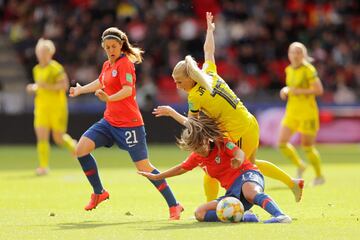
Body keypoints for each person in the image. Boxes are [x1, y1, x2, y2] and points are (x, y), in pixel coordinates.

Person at [153, 12, 304, 202]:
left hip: (238, 131)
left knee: (216, 171)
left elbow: (193, 125)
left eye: (179, 81)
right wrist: (209, 31)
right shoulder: (209, 73)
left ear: (190, 78)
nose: (177, 85)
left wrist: (171, 112)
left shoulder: (193, 97)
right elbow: (209, 52)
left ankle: (214, 206)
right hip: (249, 122)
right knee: (252, 164)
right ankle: (293, 183)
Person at [68, 27, 183, 220]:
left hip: (130, 124)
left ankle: (174, 204)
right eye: (107, 47)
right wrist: (81, 91)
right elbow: (100, 82)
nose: (110, 49)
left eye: (113, 46)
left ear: (121, 45)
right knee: (81, 149)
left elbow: (128, 90)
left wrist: (108, 98)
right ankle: (99, 192)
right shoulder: (107, 65)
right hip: (109, 122)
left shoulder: (125, 65)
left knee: (144, 167)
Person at [139, 115, 292, 223]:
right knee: (199, 213)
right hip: (232, 192)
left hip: (248, 175)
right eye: (195, 149)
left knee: (250, 193)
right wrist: (157, 177)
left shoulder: (221, 143)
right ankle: (246, 217)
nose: (200, 151)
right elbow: (180, 169)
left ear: (206, 139)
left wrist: (238, 159)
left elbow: (239, 152)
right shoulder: (197, 157)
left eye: (201, 146)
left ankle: (280, 215)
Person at [26, 38, 76, 176]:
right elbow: (39, 86)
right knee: (41, 137)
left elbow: (64, 86)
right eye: (40, 52)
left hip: (57, 107)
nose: (42, 55)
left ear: (50, 53)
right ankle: (43, 166)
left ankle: (74, 146)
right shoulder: (36, 69)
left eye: (45, 52)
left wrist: (45, 86)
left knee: (58, 139)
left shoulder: (56, 68)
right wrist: (33, 88)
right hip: (41, 107)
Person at [278, 42, 325, 185]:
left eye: (299, 52)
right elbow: (291, 88)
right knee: (282, 144)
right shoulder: (288, 70)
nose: (296, 55)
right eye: (293, 52)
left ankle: (319, 176)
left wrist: (299, 91)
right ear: (289, 54)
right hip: (292, 112)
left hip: (307, 113)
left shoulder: (308, 70)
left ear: (303, 54)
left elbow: (319, 90)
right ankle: (300, 165)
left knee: (307, 147)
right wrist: (285, 90)